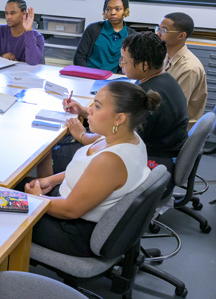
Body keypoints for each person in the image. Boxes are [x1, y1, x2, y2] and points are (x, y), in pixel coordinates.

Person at [23, 81, 156, 257]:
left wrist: (36, 200)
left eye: (98, 107)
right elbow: (86, 172)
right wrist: (51, 180)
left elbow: (69, 210)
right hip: (71, 207)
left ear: (119, 118)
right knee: (7, 191)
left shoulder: (110, 161)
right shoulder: (127, 137)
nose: (90, 110)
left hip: (73, 231)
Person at [61, 32, 188, 194]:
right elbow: (118, 124)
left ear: (144, 65)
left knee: (59, 150)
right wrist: (84, 111)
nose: (120, 64)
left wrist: (82, 136)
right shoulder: (163, 80)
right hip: (163, 153)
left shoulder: (146, 97)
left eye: (124, 60)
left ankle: (54, 195)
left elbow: (118, 139)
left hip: (151, 161)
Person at [156, 12, 207, 124]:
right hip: (164, 118)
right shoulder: (166, 55)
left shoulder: (189, 68)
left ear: (181, 36)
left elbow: (174, 110)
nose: (158, 34)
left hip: (175, 128)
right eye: (158, 29)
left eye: (163, 30)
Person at [74, 0, 136, 73]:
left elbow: (129, 64)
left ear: (125, 11)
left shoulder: (132, 36)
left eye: (117, 9)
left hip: (114, 81)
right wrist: (87, 75)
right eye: (108, 9)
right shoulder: (93, 29)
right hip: (89, 77)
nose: (112, 13)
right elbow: (79, 58)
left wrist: (115, 79)